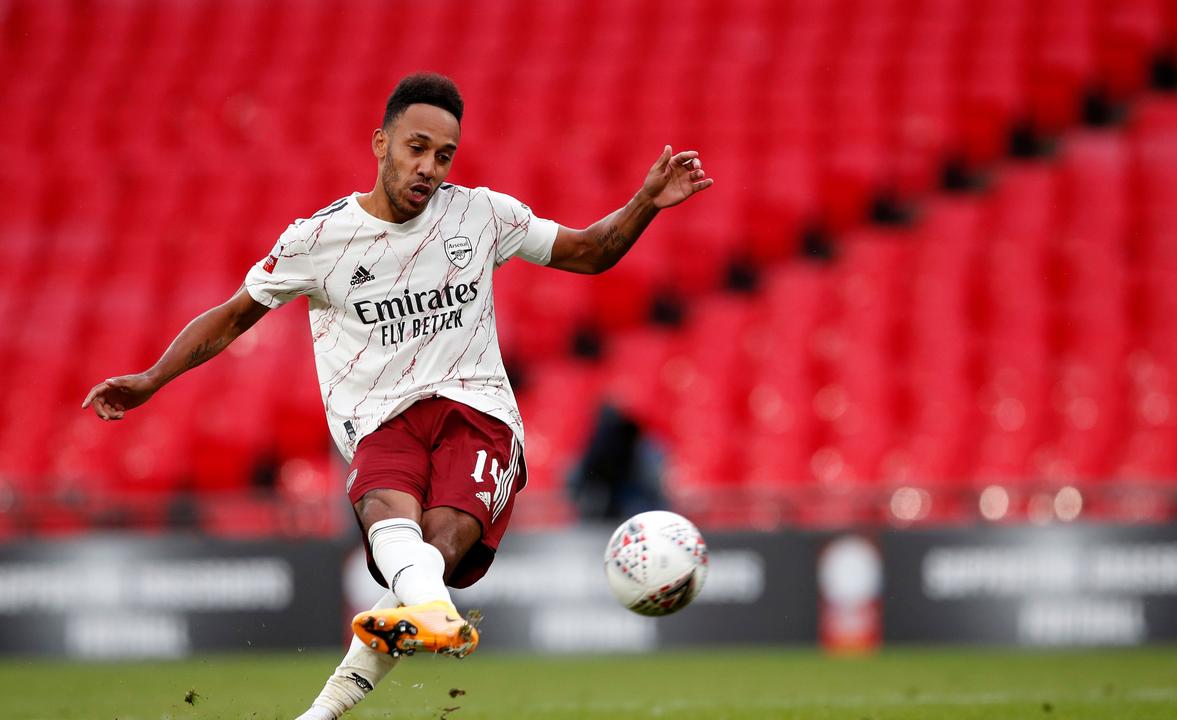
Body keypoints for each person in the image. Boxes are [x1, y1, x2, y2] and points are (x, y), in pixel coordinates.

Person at [81, 72, 713, 719]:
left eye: (443, 155)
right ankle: (368, 671)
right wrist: (152, 378)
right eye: (416, 147)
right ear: (380, 143)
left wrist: (645, 202)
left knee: (435, 546)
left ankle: (419, 618)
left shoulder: (481, 214)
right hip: (381, 419)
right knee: (396, 522)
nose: (429, 167)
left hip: (478, 414)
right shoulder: (317, 240)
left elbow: (587, 252)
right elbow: (233, 315)